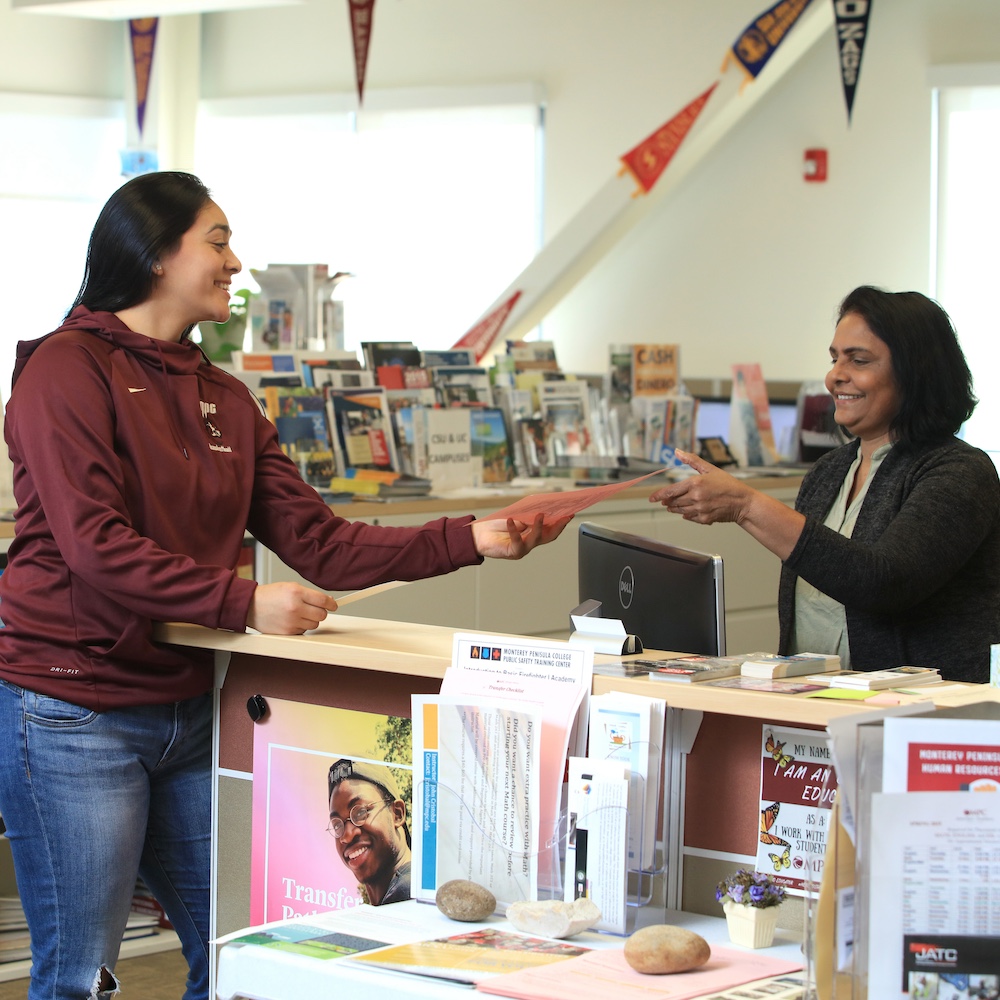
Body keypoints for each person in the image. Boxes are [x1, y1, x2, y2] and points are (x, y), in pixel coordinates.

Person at [0, 170, 570, 1000]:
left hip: (192, 709)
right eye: (220, 240)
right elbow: (95, 546)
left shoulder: (224, 397)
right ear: (157, 254)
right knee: (82, 976)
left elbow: (321, 544)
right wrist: (244, 602)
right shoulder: (64, 371)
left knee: (244, 954)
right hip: (73, 708)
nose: (237, 262)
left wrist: (474, 537)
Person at [649, 285, 1000, 683]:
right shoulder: (829, 471)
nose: (835, 377)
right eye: (834, 359)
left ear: (914, 372)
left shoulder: (961, 471)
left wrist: (747, 505)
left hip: (921, 722)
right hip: (814, 708)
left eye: (859, 360)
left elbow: (885, 583)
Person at [326, 758, 410, 906]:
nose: (347, 835)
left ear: (397, 814)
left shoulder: (407, 897)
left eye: (360, 813)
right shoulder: (391, 901)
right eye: (337, 825)